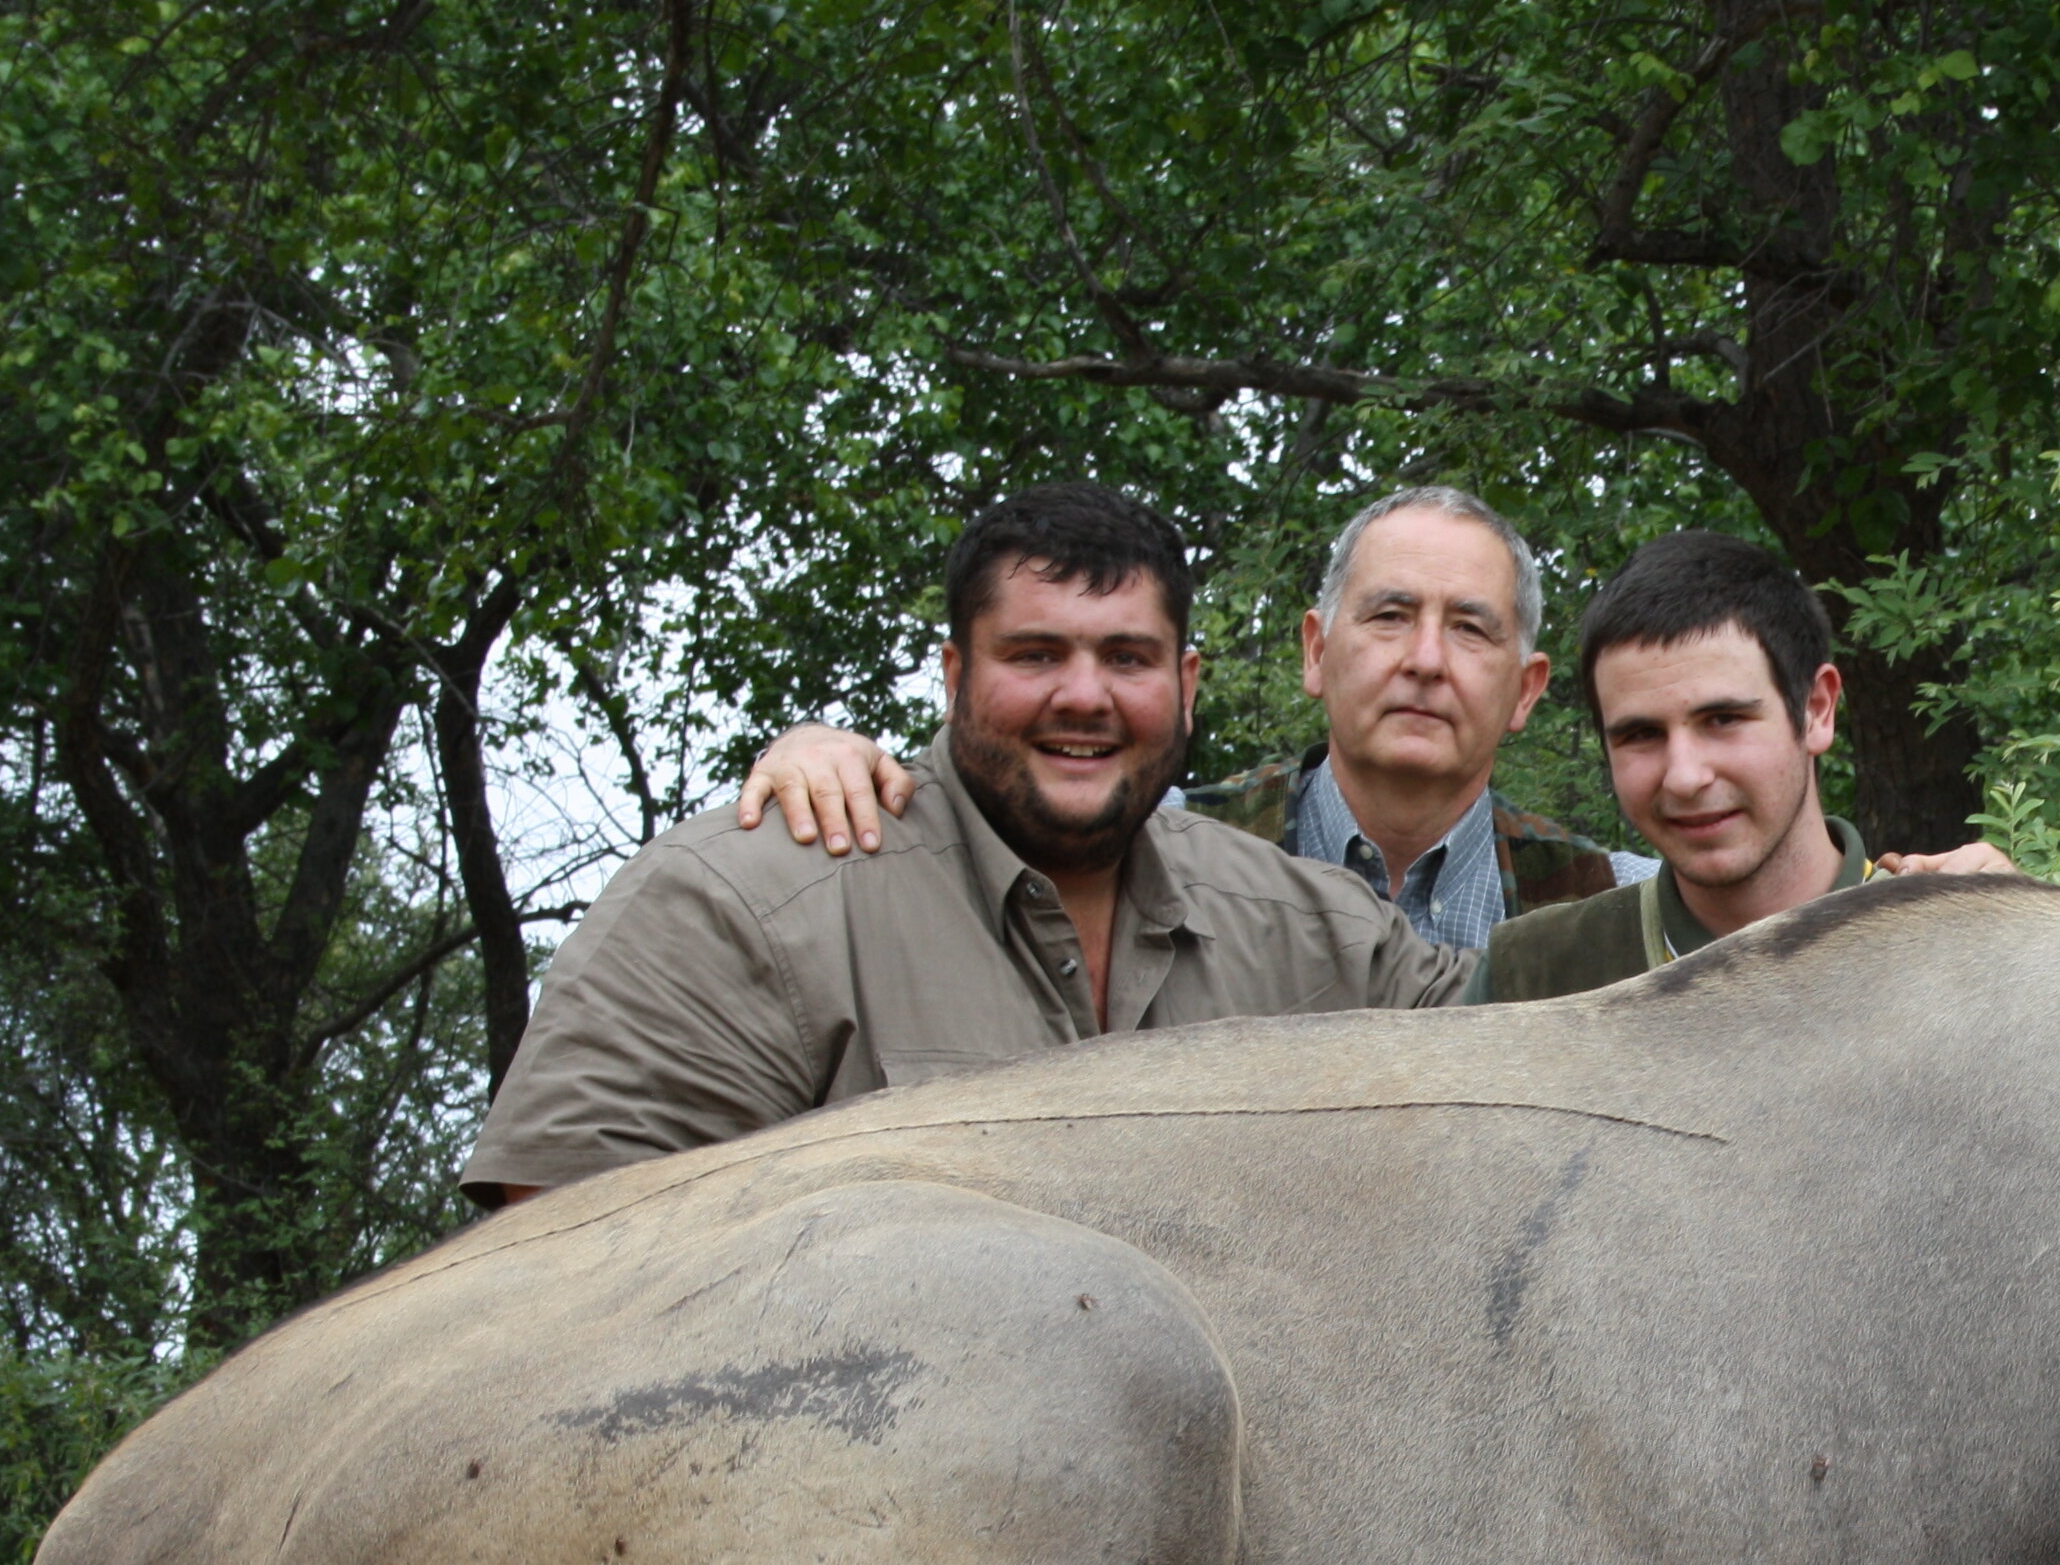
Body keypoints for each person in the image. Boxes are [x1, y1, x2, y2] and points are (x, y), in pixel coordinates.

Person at [462, 483, 1467, 1207]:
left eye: (1128, 657)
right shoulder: (746, 898)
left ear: (1187, 684)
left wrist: (1635, 758)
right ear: (954, 674)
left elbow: (1563, 1006)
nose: (1085, 695)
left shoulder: (1314, 932)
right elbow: (565, 1255)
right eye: (1035, 655)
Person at [740, 485, 1643, 944]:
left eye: (1470, 629)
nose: (1424, 660)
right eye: (1390, 615)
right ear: (1314, 652)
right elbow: (986, 812)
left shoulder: (1622, 907)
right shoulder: (1142, 845)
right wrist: (821, 752)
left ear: (1526, 689)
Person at [1475, 530, 1900, 1001]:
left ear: (1817, 710)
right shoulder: (1536, 973)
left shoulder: (1954, 951)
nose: (1684, 777)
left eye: (1723, 719)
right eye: (1641, 735)